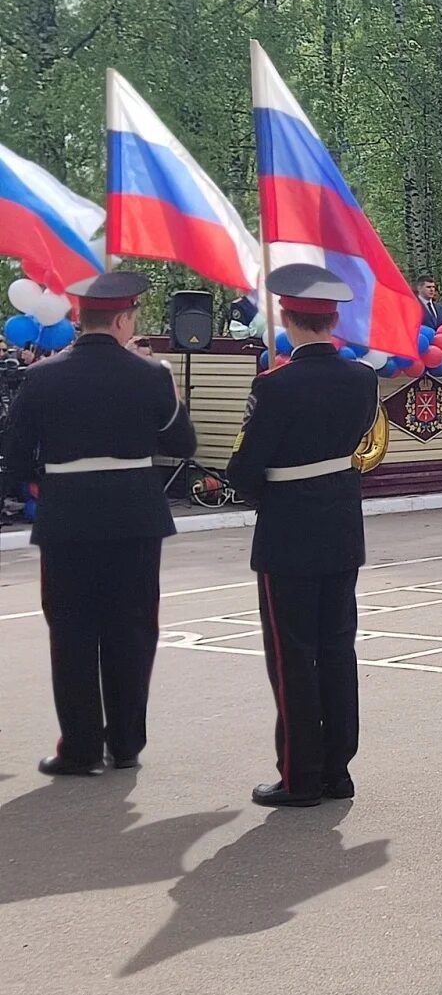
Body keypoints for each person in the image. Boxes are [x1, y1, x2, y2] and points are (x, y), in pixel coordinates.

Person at [2, 271, 198, 775]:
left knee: (71, 634)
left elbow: (16, 457)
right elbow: (183, 446)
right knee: (131, 631)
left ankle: (81, 747)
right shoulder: (151, 374)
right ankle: (127, 744)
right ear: (123, 318)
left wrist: (50, 480)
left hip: (68, 518)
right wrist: (170, 392)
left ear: (77, 318)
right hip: (134, 517)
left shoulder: (43, 376)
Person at [223, 264, 381, 807]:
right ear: (334, 318)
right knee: (337, 648)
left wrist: (248, 485)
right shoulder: (362, 378)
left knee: (292, 654)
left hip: (289, 527)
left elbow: (247, 468)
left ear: (287, 319)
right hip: (339, 521)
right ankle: (337, 768)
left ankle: (299, 774)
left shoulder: (275, 385)